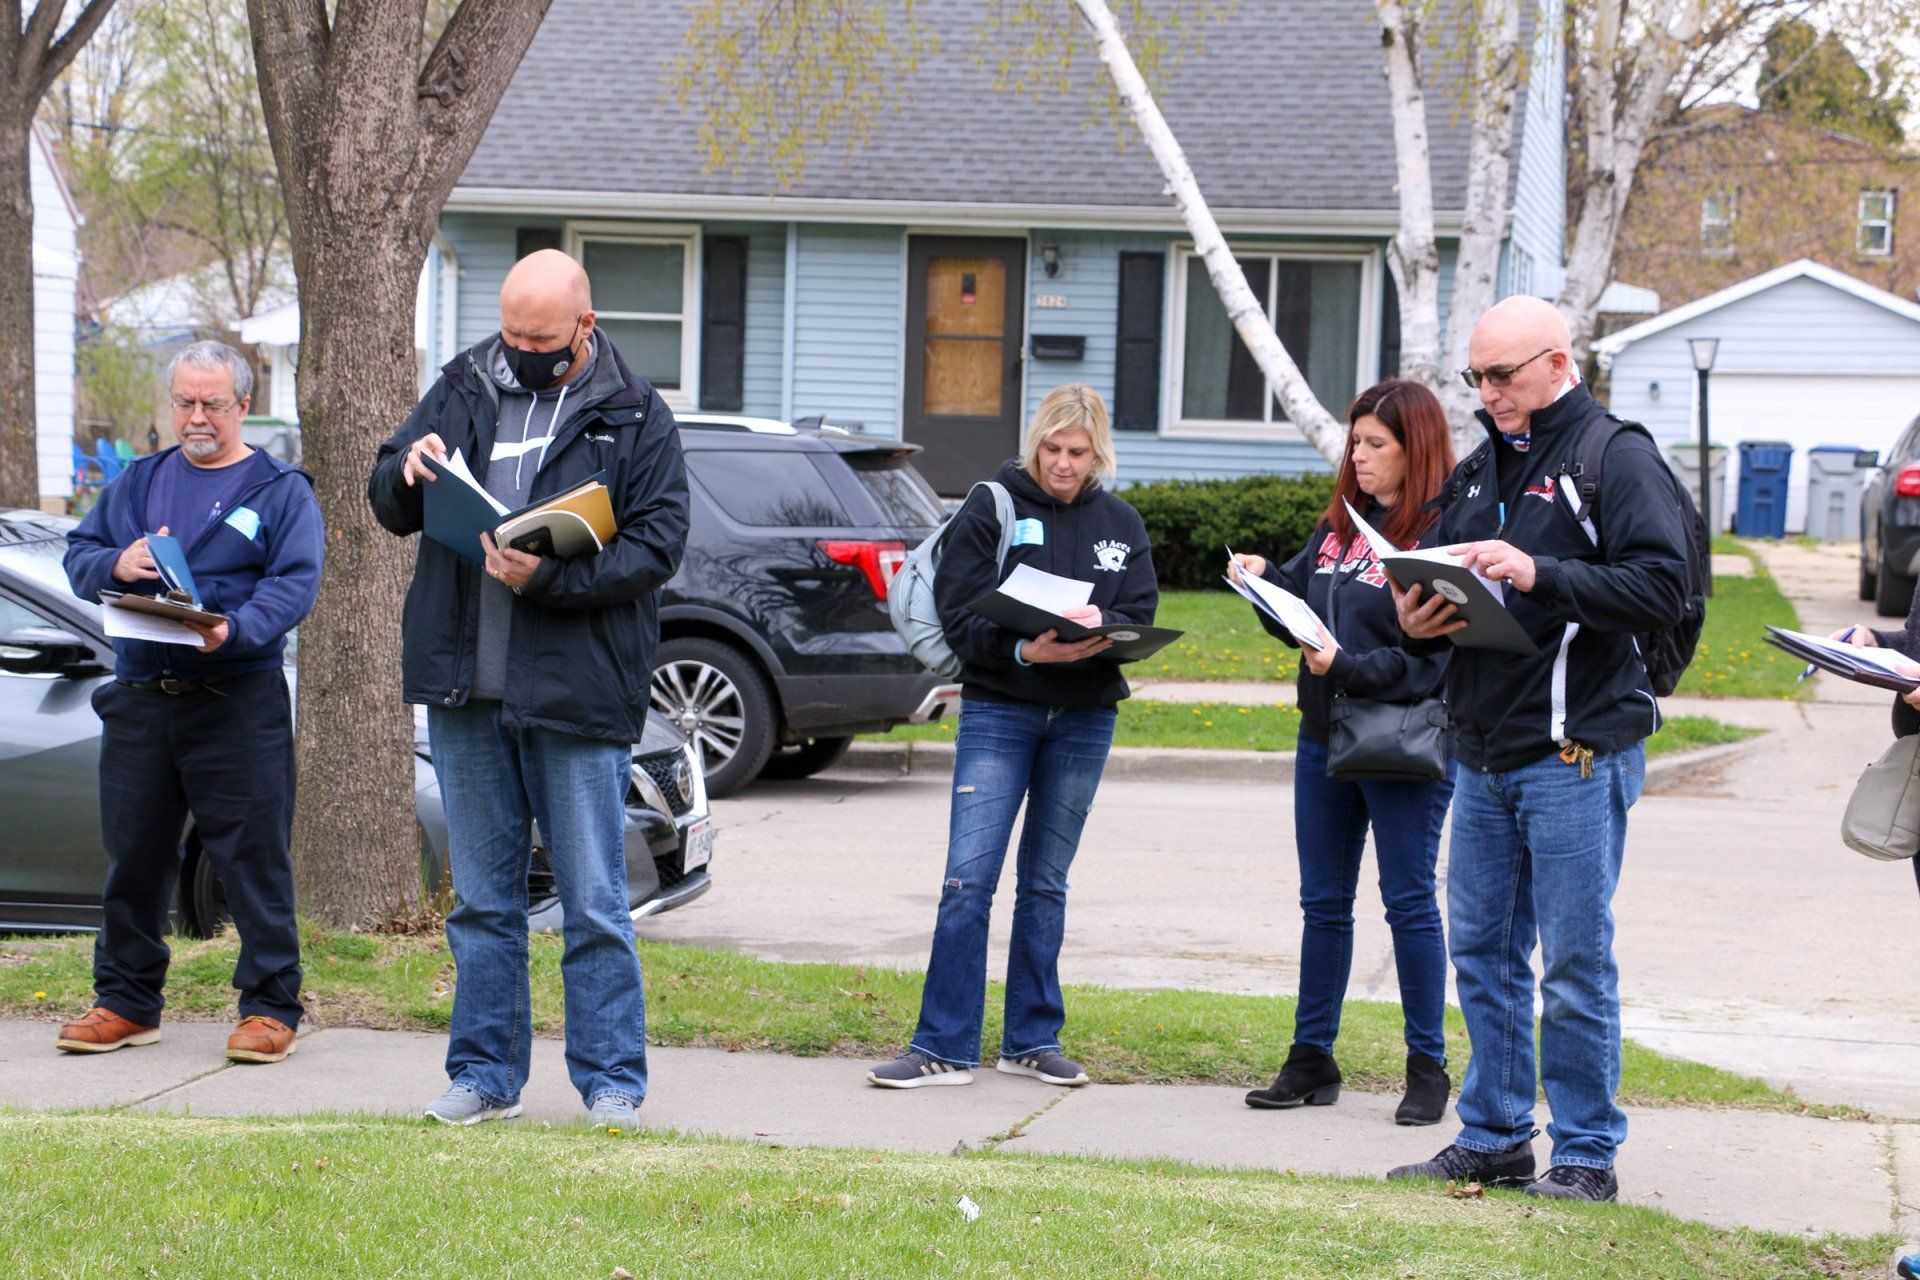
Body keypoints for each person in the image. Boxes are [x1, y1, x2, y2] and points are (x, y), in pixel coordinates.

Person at [367, 249, 690, 1130]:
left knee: (592, 901)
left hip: (578, 694)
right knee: (482, 901)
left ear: (585, 326)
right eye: (511, 334)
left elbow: (658, 546)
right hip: (465, 687)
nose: (521, 351)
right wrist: (404, 469)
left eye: (540, 338)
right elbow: (387, 498)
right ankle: (483, 1074)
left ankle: (612, 1084)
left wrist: (544, 579)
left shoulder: (635, 414)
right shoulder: (465, 383)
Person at [1384, 296, 1689, 1201]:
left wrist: (1538, 571)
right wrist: (1416, 618)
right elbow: (1438, 587)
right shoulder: (1483, 467)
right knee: (1480, 952)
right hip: (1481, 749)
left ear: (1560, 362)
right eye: (1476, 376)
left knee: (1575, 960)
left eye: (1503, 375)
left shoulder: (1614, 454)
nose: (1488, 393)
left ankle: (1587, 1153)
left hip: (1575, 752)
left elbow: (1662, 586)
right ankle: (1496, 1136)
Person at [866, 383, 1157, 1089]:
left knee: (1046, 884)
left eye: (1078, 452)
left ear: (1098, 454)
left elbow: (1140, 609)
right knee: (968, 880)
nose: (1063, 464)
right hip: (1002, 707)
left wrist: (1102, 635)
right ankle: (942, 1046)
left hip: (1085, 716)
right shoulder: (990, 506)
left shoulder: (1121, 522)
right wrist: (1029, 651)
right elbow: (961, 618)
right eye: (1053, 449)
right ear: (1035, 444)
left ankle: (1032, 1038)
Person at [59, 340, 324, 1064]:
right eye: (184, 402)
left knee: (253, 861)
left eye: (212, 403)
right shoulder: (138, 483)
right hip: (143, 700)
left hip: (236, 700)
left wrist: (236, 631)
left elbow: (294, 583)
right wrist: (115, 561)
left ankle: (271, 1009)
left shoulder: (278, 489)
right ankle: (125, 1001)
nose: (196, 417)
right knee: (135, 857)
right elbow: (78, 552)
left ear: (243, 404)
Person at [1228, 379, 1455, 1125]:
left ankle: (1427, 1068)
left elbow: (1435, 662)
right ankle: (1310, 1058)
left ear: (1414, 448)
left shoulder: (1436, 536)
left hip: (1401, 742)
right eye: (1355, 442)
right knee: (1322, 903)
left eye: (1375, 444)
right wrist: (1265, 584)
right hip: (1322, 733)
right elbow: (1300, 609)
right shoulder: (1341, 530)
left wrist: (1349, 667)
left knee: (1410, 903)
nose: (1357, 456)